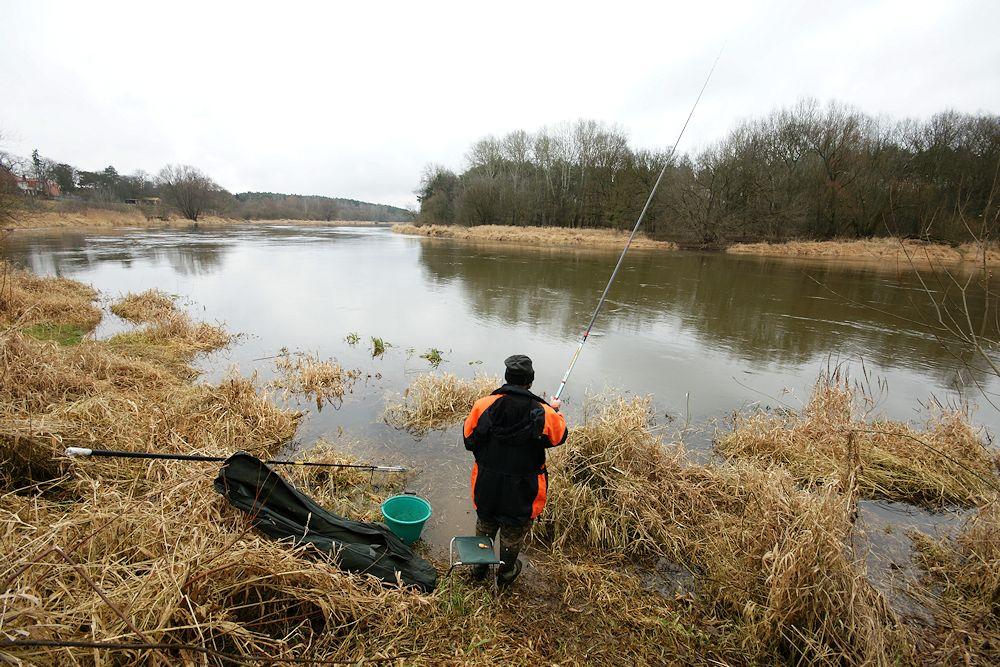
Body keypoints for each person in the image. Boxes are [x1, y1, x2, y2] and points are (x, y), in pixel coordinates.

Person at [462, 354, 568, 587]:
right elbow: (559, 438)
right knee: (513, 532)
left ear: (507, 377)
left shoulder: (483, 405)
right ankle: (505, 574)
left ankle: (478, 570)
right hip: (524, 490)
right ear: (530, 381)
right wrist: (555, 411)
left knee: (485, 525)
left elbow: (469, 441)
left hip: (486, 484)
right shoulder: (544, 412)